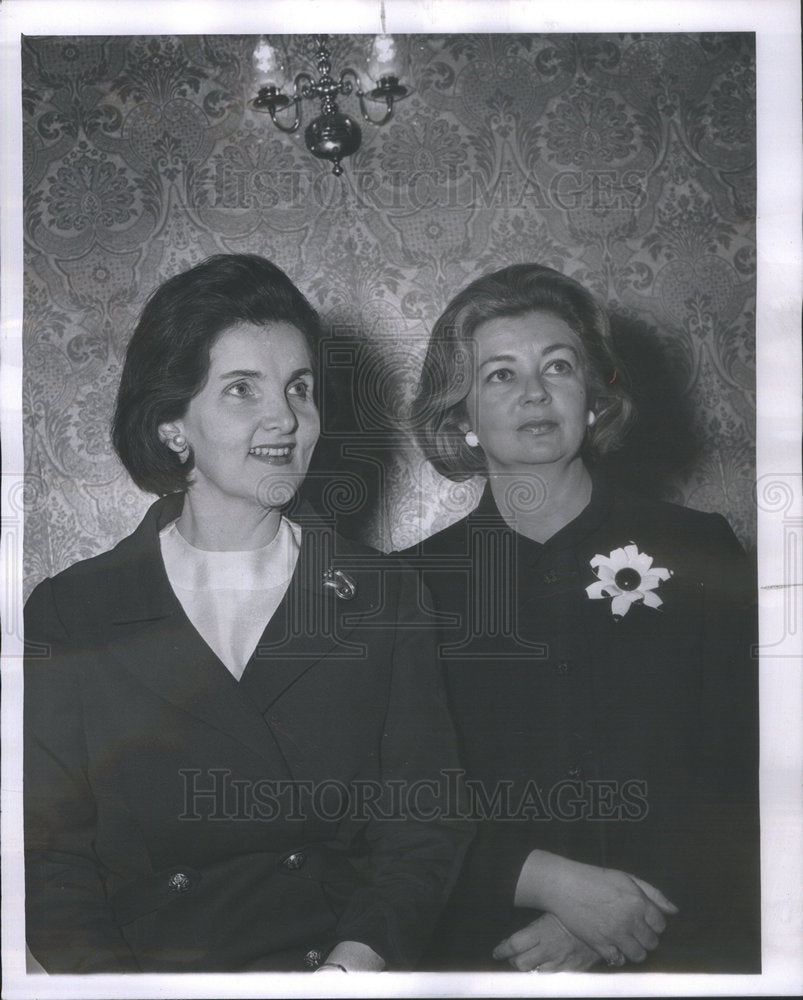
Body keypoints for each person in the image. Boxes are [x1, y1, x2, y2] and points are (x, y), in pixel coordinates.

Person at [24, 254, 470, 974]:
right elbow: (49, 861)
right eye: (241, 390)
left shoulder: (383, 598)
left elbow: (425, 828)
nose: (285, 419)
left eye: (299, 388)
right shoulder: (73, 612)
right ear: (173, 424)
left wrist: (349, 973)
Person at [405, 263, 760, 973]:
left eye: (557, 366)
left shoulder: (696, 548)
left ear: (594, 399)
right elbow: (399, 811)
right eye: (499, 374)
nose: (533, 391)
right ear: (460, 417)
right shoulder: (410, 586)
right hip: (491, 952)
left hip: (683, 944)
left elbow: (744, 773)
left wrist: (617, 917)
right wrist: (549, 890)